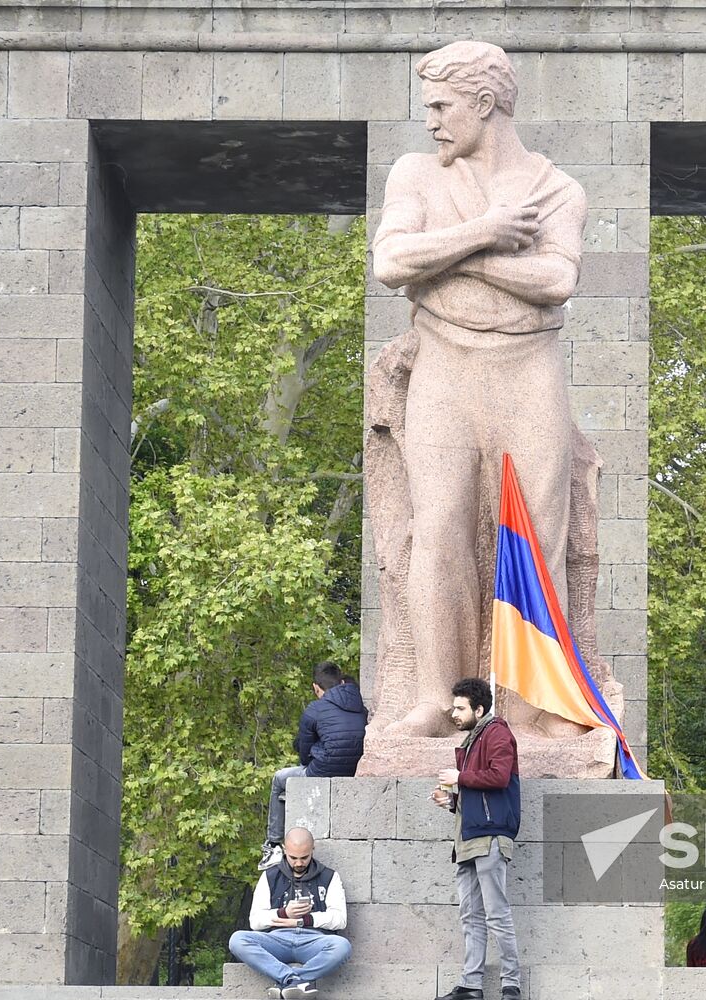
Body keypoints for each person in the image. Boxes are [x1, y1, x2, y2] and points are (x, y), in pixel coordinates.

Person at [369, 40, 589, 740]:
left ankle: (532, 705)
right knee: (438, 532)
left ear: (485, 102)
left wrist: (458, 257)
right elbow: (391, 261)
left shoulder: (557, 189)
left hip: (529, 370)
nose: (430, 120)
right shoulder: (415, 174)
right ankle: (438, 699)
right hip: (444, 366)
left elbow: (557, 279)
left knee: (537, 536)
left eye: (441, 105)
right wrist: (487, 234)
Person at [430, 677, 522, 1000]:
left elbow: (499, 777)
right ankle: (471, 986)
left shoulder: (497, 733)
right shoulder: (473, 741)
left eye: (460, 708)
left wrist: (459, 777)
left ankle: (511, 985)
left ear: (478, 709)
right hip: (468, 839)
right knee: (471, 916)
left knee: (497, 914)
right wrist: (451, 801)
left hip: (490, 837)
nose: (454, 714)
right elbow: (478, 793)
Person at [261, 662, 367, 870]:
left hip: (323, 769)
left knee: (280, 779)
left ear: (316, 687)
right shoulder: (361, 707)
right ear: (342, 682)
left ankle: (273, 844)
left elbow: (304, 754)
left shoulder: (315, 709)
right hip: (356, 768)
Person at [228, 827, 351, 998]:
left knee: (342, 946)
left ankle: (288, 982)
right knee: (237, 940)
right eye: (293, 858)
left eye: (304, 857)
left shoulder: (330, 876)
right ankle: (293, 980)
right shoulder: (270, 876)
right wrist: (284, 913)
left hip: (314, 939)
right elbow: (255, 921)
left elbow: (340, 919)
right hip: (277, 939)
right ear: (285, 850)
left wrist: (304, 920)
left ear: (312, 849)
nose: (299, 863)